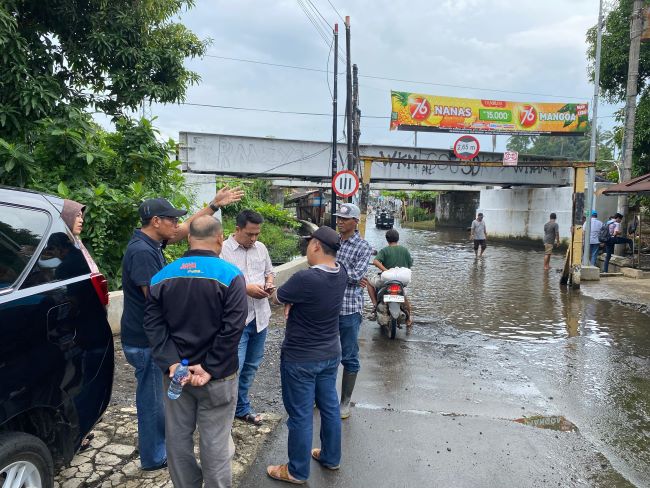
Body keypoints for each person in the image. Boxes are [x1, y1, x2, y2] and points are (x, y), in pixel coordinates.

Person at [120, 187, 243, 471]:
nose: (176, 224)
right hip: (147, 341)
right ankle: (153, 456)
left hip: (161, 344)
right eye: (171, 219)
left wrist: (213, 205)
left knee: (174, 416)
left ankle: (170, 459)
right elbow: (157, 302)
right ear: (155, 222)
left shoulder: (152, 244)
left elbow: (192, 231)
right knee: (154, 402)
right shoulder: (142, 252)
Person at [143, 215, 248, 488]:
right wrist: (210, 366)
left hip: (176, 375)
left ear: (189, 238)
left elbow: (153, 325)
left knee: (177, 439)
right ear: (220, 238)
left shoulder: (161, 276)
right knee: (215, 442)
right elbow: (233, 327)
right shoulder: (231, 276)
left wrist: (171, 363)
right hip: (218, 378)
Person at [266, 226, 347, 484]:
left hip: (301, 358)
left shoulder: (305, 279)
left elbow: (277, 297)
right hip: (330, 352)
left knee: (300, 414)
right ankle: (330, 457)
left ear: (315, 246)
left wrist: (283, 296)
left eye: (309, 244)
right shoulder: (341, 272)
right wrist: (294, 300)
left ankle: (296, 471)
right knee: (330, 407)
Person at [220, 209, 275, 426]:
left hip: (260, 317)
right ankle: (225, 410)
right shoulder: (223, 250)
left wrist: (269, 283)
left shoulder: (261, 248)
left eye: (257, 234)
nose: (254, 239)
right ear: (237, 229)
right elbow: (218, 283)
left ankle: (241, 408)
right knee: (235, 367)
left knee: (251, 366)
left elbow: (270, 271)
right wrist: (245, 288)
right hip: (237, 321)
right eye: (249, 234)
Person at [334, 203, 372, 420]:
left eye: (344, 219)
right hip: (328, 307)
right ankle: (325, 396)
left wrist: (331, 268)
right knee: (325, 353)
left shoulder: (363, 247)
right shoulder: (332, 241)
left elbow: (357, 276)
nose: (340, 221)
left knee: (349, 356)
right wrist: (342, 272)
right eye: (338, 218)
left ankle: (345, 402)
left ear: (355, 222)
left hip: (349, 309)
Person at [367, 229, 413, 326]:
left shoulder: (385, 250)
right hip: (401, 281)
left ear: (387, 239)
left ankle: (375, 305)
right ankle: (409, 319)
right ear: (398, 238)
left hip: (387, 280)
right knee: (404, 296)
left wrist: (386, 270)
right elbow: (410, 264)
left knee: (369, 282)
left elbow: (375, 261)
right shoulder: (404, 250)